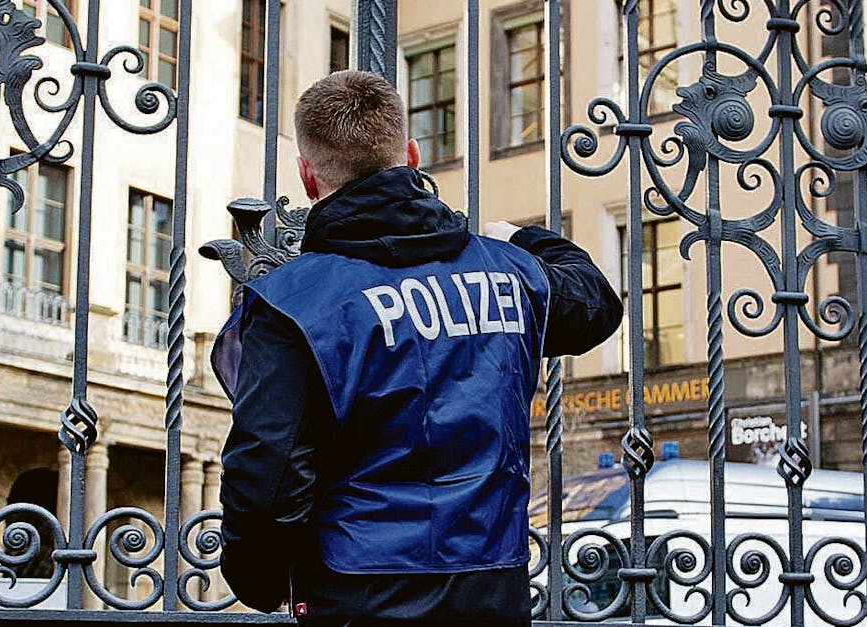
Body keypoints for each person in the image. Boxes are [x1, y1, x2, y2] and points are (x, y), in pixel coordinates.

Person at [212, 70, 624, 626]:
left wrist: (263, 581)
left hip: (357, 587)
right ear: (411, 154)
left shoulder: (293, 301)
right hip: (490, 584)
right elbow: (596, 301)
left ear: (308, 177)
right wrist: (522, 238)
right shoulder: (505, 271)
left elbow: (269, 468)